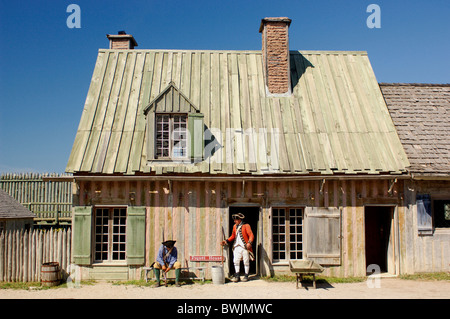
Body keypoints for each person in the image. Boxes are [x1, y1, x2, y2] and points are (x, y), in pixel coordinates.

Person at [221, 213, 254, 282]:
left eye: (236, 220)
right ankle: (237, 276)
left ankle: (246, 276)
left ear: (240, 220)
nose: (234, 221)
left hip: (244, 247)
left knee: (246, 262)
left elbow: (251, 235)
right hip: (236, 246)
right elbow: (233, 236)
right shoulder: (234, 226)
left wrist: (249, 243)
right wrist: (226, 241)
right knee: (236, 261)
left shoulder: (246, 226)